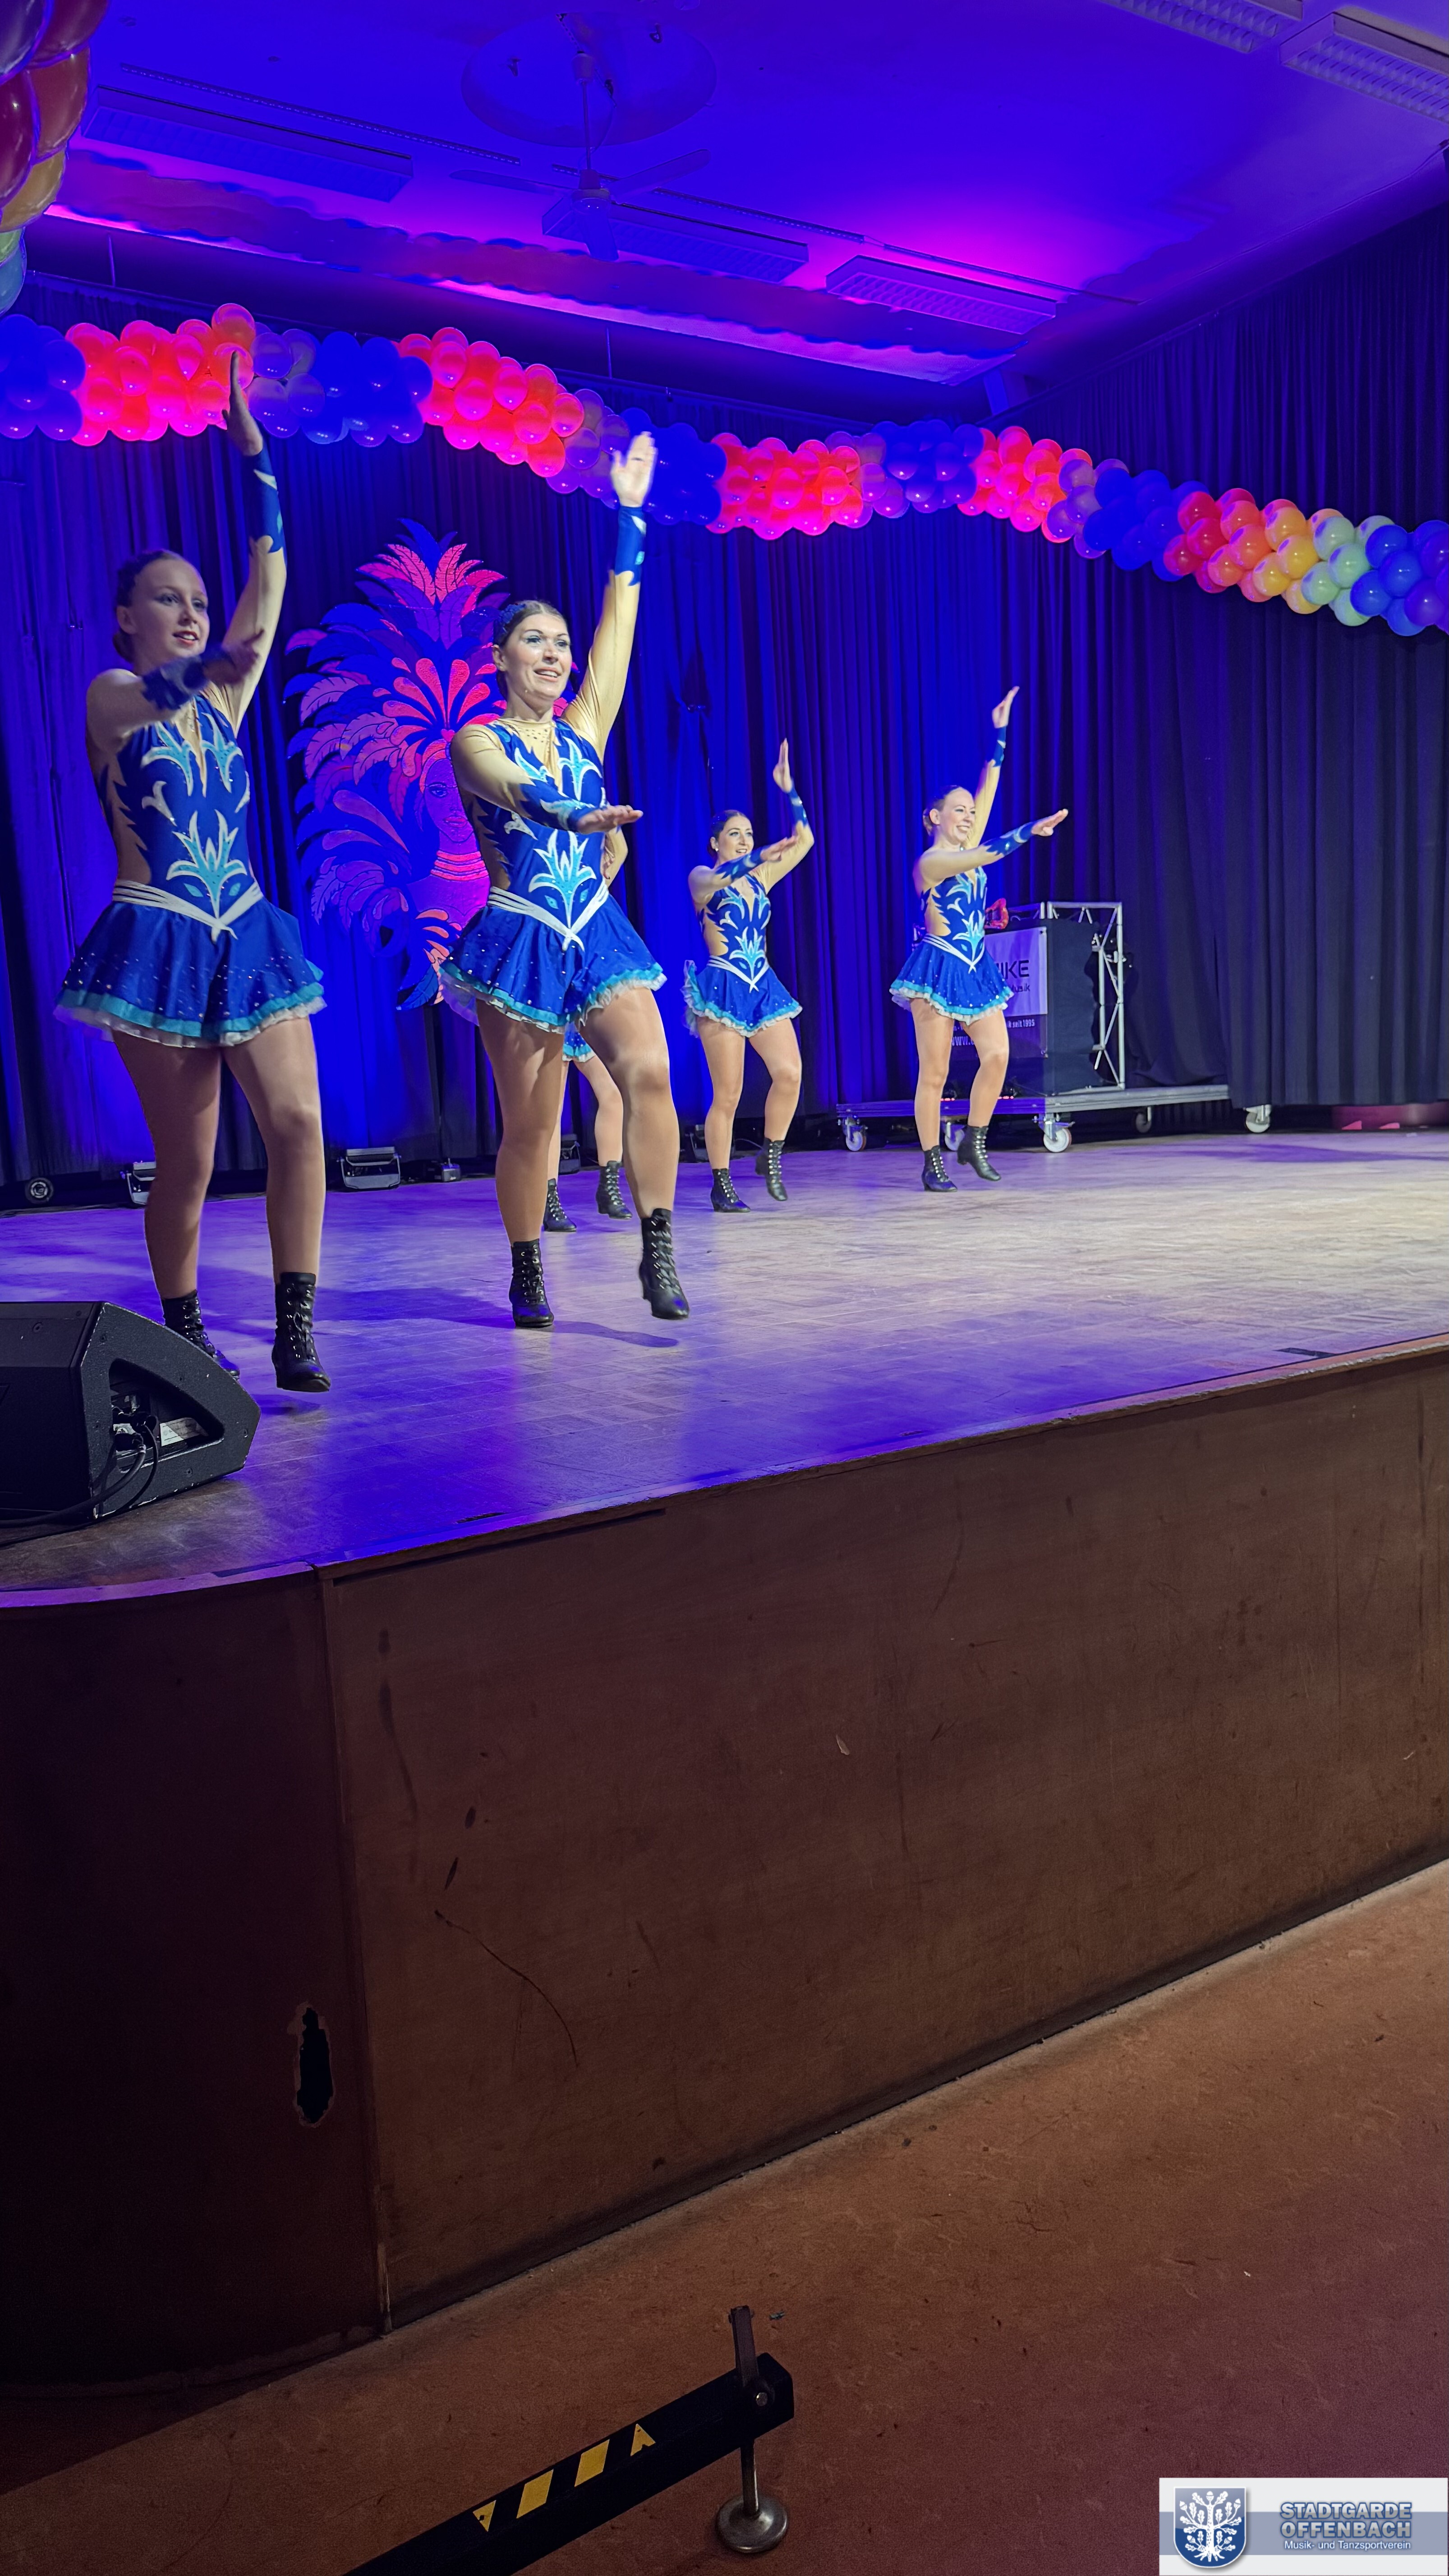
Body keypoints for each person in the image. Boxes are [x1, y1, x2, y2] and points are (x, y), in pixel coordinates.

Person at [57, 353, 330, 1391]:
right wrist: (203, 666)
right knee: (191, 1161)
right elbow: (151, 697)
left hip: (248, 933)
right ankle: (183, 1329)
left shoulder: (223, 698)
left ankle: (295, 1327)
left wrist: (255, 456)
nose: (188, 611)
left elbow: (273, 584)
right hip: (157, 937)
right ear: (126, 617)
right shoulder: (112, 694)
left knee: (299, 1124)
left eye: (199, 601)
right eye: (165, 599)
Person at [444, 432, 688, 1328]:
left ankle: (657, 1245)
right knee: (533, 1125)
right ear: (501, 658)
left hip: (596, 927)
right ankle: (527, 1267)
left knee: (649, 1072)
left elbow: (618, 624)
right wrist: (571, 816)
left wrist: (630, 515)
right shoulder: (475, 738)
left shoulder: (586, 725)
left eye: (558, 643)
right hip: (522, 935)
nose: (552, 654)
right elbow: (509, 788)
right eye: (533, 642)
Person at [890, 688, 1067, 1191]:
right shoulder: (932, 862)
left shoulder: (965, 842)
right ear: (935, 817)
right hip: (938, 967)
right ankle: (932, 1161)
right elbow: (986, 855)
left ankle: (974, 1139)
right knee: (935, 1071)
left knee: (997, 1055)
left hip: (975, 966)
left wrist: (1001, 732)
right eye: (959, 811)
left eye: (970, 811)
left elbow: (988, 785)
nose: (968, 816)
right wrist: (1030, 830)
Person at [685, 741, 812, 1210]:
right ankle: (721, 1182)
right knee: (729, 1092)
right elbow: (717, 881)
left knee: (790, 1074)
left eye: (749, 834)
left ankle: (770, 1155)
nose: (744, 841)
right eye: (734, 834)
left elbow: (806, 841)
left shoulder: (761, 879)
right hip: (723, 987)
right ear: (715, 842)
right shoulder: (702, 877)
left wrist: (790, 791)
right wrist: (756, 857)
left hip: (763, 986)